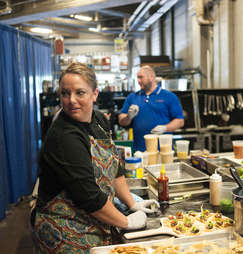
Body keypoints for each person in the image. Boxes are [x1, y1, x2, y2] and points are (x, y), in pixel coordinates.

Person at [33, 62, 158, 253]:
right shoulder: (64, 136)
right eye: (65, 93)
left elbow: (114, 167)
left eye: (79, 93)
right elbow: (88, 195)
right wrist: (127, 222)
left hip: (96, 220)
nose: (71, 100)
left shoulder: (99, 120)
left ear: (95, 94)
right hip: (64, 231)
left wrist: (133, 204)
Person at [118, 66, 184, 151]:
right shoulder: (132, 97)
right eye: (137, 78)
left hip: (163, 150)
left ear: (152, 77)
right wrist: (128, 117)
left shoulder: (169, 96)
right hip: (139, 150)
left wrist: (165, 128)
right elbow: (121, 121)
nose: (138, 81)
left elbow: (180, 121)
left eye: (141, 77)